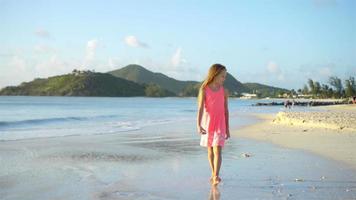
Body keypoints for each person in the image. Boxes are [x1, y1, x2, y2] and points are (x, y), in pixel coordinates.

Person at [197, 63, 230, 185]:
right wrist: (198, 125)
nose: (224, 79)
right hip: (208, 124)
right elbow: (200, 108)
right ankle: (213, 172)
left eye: (225, 76)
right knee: (210, 151)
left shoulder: (224, 91)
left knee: (218, 151)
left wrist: (227, 128)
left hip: (220, 124)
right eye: (222, 76)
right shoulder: (204, 90)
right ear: (215, 75)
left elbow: (226, 111)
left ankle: (216, 175)